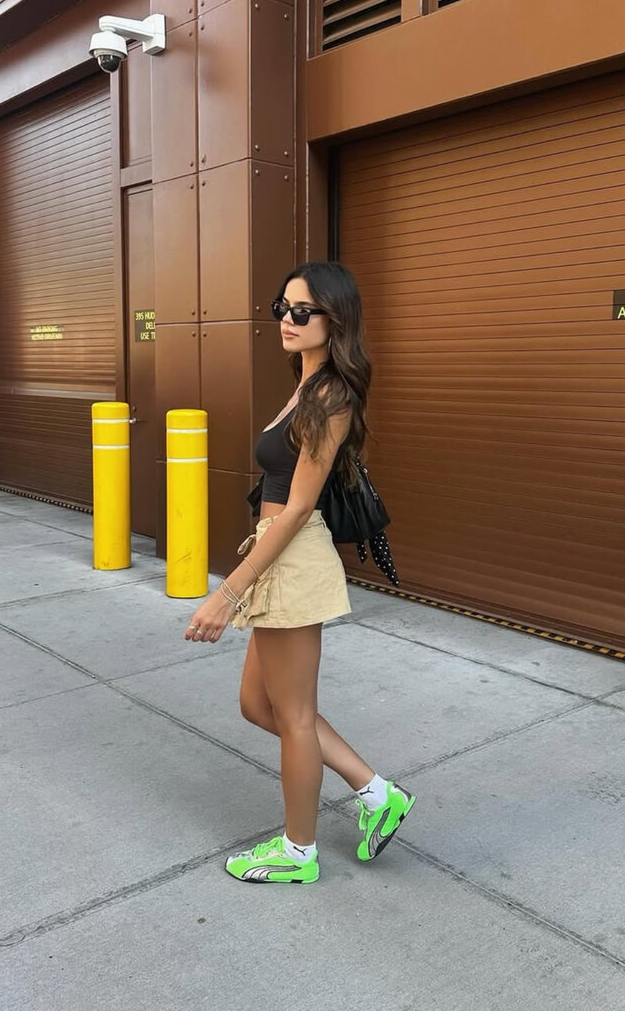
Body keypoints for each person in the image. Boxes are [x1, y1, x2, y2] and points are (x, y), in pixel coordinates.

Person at [183, 260, 415, 885]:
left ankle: (298, 851)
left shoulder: (332, 395)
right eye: (281, 308)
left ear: (334, 319)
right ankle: (377, 793)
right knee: (257, 705)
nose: (287, 320)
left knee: (295, 717)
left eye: (302, 311)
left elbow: (298, 507)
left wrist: (227, 593)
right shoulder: (306, 383)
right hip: (275, 552)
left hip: (291, 557)